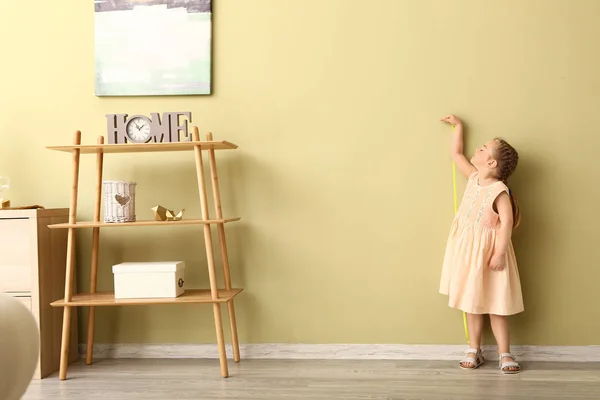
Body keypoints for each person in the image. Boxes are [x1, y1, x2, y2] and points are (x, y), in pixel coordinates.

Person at [438, 114, 524, 374]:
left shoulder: (498, 190)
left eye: (483, 148)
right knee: (471, 302)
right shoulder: (474, 177)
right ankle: (474, 349)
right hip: (468, 253)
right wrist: (459, 127)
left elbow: (506, 223)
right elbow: (456, 154)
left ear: (492, 162)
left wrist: (499, 253)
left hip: (490, 254)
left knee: (496, 304)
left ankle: (505, 353)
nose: (477, 149)